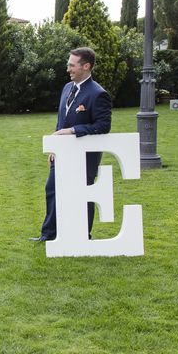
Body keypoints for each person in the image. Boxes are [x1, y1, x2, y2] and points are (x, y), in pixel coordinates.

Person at [30, 47, 112, 242]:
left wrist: (72, 131)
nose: (68, 69)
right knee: (52, 190)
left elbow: (103, 126)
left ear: (86, 66)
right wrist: (55, 147)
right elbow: (61, 122)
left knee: (84, 194)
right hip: (61, 154)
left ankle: (84, 236)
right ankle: (49, 235)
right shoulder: (67, 88)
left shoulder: (99, 94)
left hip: (85, 157)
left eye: (72, 65)